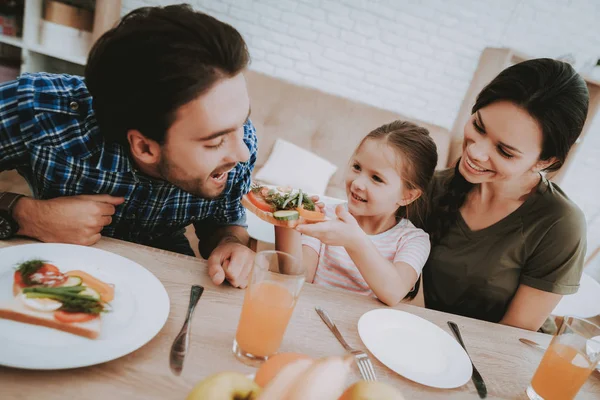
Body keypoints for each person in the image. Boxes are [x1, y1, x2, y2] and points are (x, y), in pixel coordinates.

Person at [0, 5, 257, 288]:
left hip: (164, 276)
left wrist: (231, 243)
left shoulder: (240, 144)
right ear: (145, 147)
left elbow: (223, 222)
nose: (242, 153)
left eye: (242, 124)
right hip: (51, 268)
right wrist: (25, 215)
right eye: (216, 141)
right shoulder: (40, 111)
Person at [424, 58, 589, 331]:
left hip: (487, 360)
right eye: (478, 126)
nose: (476, 152)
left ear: (545, 161)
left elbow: (512, 334)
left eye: (505, 151)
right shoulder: (431, 187)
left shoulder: (559, 225)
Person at [276, 121, 438, 306]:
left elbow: (393, 292)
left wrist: (353, 239)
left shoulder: (413, 240)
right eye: (357, 167)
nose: (358, 183)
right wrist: (286, 219)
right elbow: (297, 278)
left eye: (376, 178)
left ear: (407, 196)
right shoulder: (325, 215)